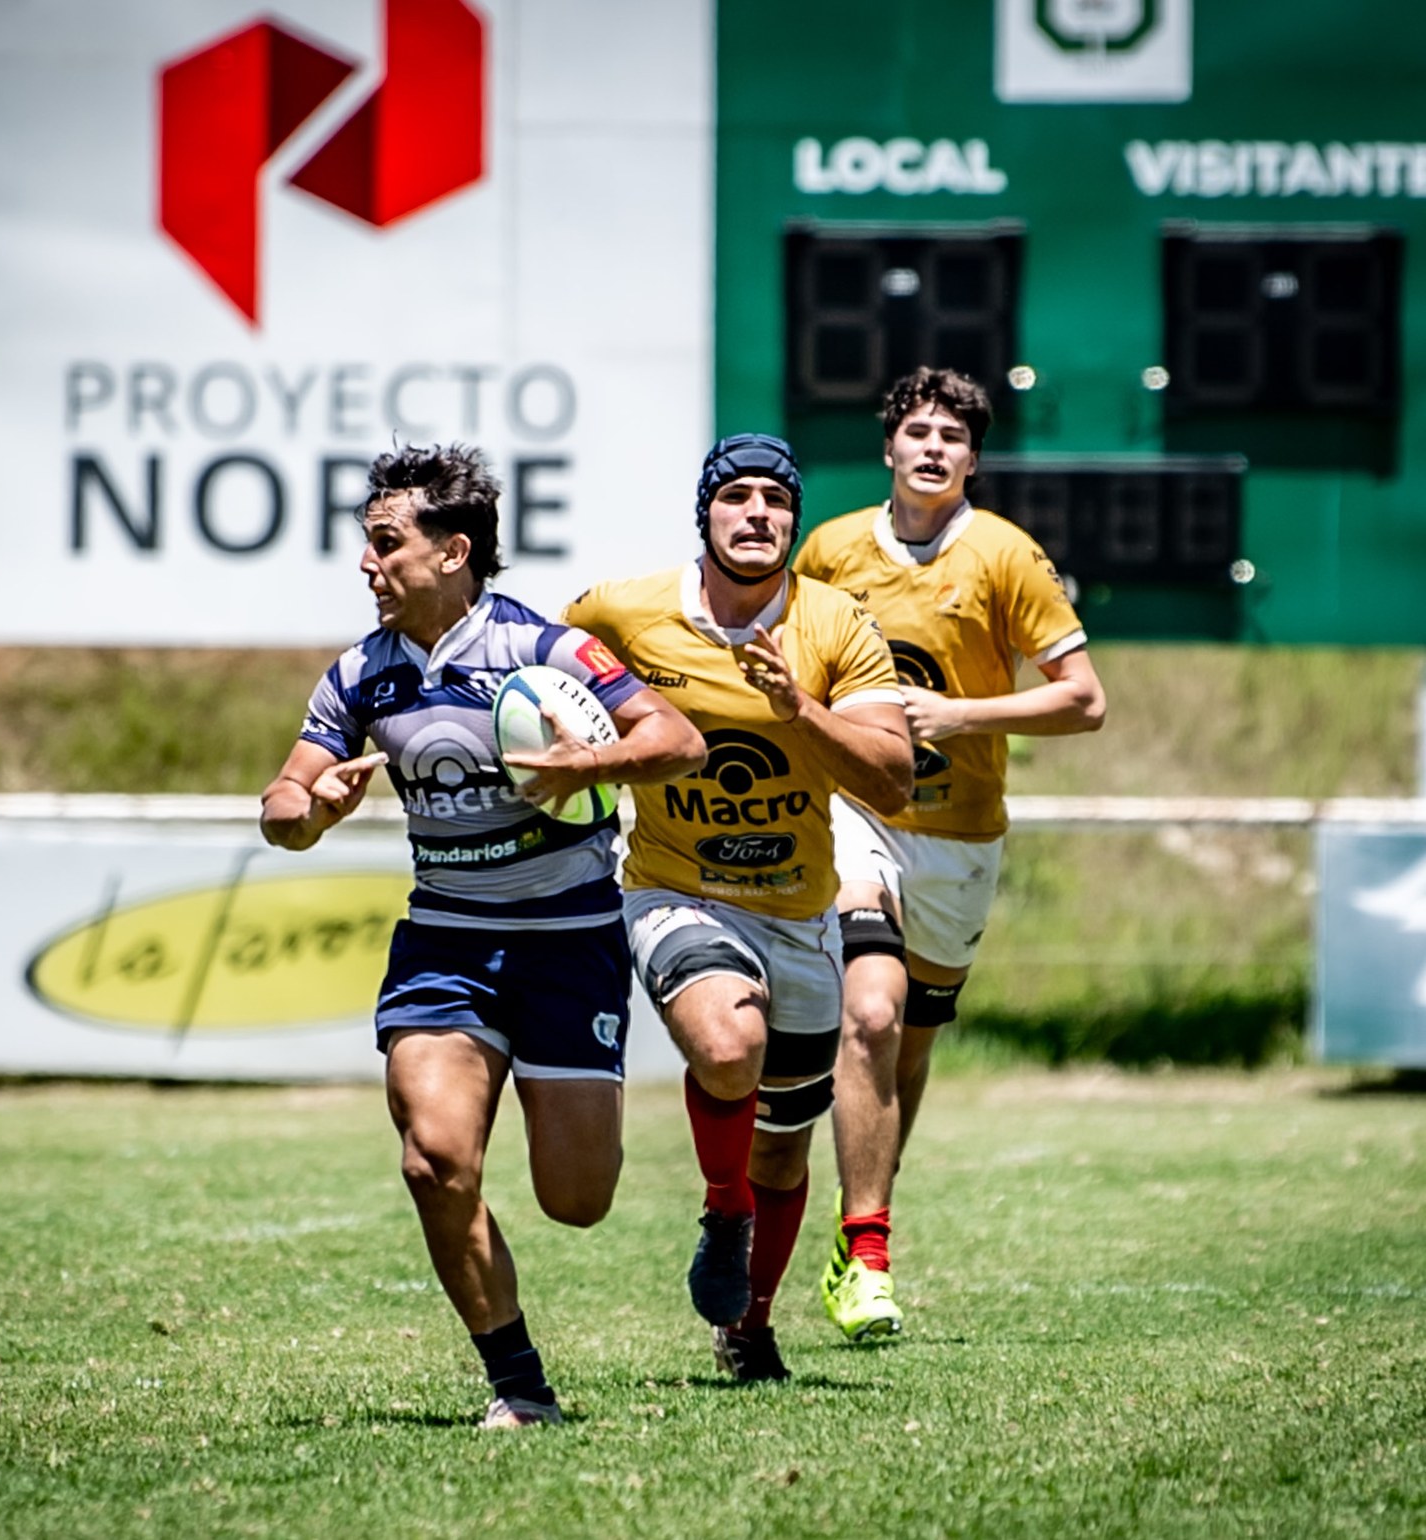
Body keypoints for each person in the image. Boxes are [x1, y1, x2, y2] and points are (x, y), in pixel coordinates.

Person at [260, 443, 706, 1429]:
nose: (368, 564)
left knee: (577, 1198)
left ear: (452, 549)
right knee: (434, 1158)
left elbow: (678, 740)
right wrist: (309, 809)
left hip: (567, 936)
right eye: (366, 544)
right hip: (446, 942)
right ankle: (518, 1384)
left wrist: (582, 764)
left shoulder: (541, 649)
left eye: (387, 544)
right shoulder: (361, 676)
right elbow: (281, 802)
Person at [565, 434, 912, 1383]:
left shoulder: (835, 624)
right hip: (675, 887)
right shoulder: (622, 611)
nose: (758, 514)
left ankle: (749, 1325)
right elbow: (545, 689)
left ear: (793, 521)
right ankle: (724, 1207)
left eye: (776, 501)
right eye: (738, 497)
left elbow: (894, 779)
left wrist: (800, 710)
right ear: (705, 515)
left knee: (786, 1148)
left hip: (800, 909)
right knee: (727, 1047)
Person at [793, 367, 1106, 1342]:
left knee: (909, 1047)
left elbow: (1082, 699)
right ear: (887, 446)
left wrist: (959, 712)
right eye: (916, 431)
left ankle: (863, 1220)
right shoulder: (831, 549)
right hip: (855, 813)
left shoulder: (1006, 556)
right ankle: (869, 1249)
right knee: (870, 1014)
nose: (932, 448)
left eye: (952, 436)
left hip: (960, 835)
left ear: (972, 457)